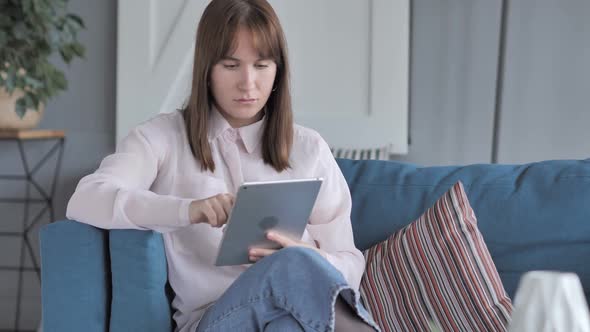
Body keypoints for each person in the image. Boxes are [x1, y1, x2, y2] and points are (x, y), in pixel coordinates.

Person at [66, 0, 379, 331]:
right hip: (215, 320)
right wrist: (189, 210)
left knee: (288, 316)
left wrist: (308, 258)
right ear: (207, 69)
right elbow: (86, 199)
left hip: (293, 315)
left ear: (278, 71)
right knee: (291, 270)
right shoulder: (162, 138)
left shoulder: (309, 148)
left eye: (261, 65)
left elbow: (350, 265)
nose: (248, 83)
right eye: (231, 66)